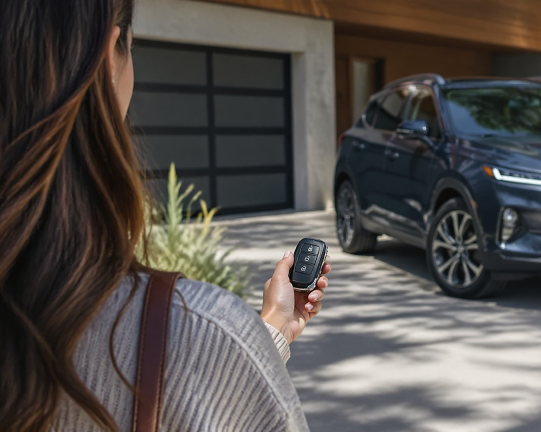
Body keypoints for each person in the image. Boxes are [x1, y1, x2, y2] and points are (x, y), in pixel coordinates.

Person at [0, 0, 329, 430]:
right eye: (132, 49)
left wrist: (272, 330)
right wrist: (247, 344)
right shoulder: (199, 333)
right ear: (109, 58)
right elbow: (207, 372)